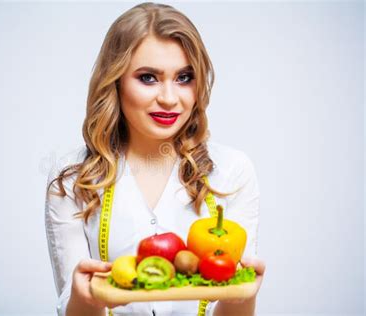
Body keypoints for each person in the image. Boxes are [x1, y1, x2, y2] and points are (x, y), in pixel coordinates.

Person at [45, 2, 265, 315]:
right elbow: (73, 307)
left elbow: (232, 300)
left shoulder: (232, 172)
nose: (169, 98)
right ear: (116, 80)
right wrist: (84, 297)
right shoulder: (72, 179)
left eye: (184, 77)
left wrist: (241, 296)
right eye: (148, 78)